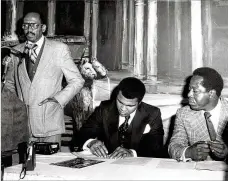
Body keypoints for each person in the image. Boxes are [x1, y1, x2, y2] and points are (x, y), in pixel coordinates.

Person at [4, 12, 84, 147]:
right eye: (26, 25)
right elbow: (10, 83)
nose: (29, 29)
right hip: (23, 125)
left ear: (43, 28)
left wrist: (58, 99)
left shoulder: (59, 49)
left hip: (50, 122)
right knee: (25, 165)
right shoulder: (15, 52)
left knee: (49, 165)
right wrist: (16, 106)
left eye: (34, 25)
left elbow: (77, 80)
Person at [75, 77, 164, 158]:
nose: (123, 109)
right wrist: (90, 142)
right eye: (120, 102)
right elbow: (81, 136)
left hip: (138, 168)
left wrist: (132, 153)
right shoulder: (104, 109)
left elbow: (156, 148)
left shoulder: (153, 113)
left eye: (130, 105)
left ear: (139, 103)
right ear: (117, 96)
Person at [168, 67, 228, 162]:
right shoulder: (183, 114)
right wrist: (188, 152)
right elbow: (174, 146)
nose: (188, 95)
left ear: (211, 93)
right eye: (189, 90)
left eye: (195, 91)